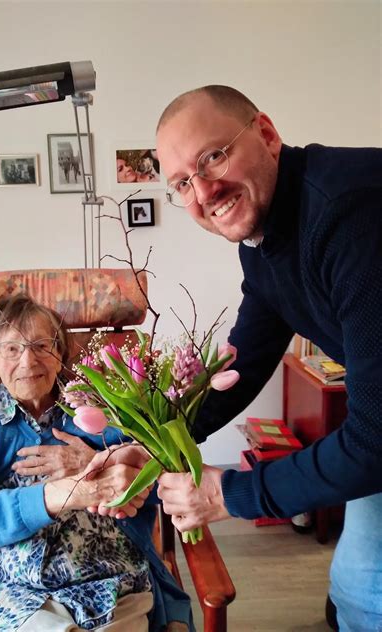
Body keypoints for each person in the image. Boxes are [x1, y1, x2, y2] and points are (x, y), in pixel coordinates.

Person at [93, 85, 382, 632]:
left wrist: (231, 494)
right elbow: (244, 362)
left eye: (213, 156)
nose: (204, 189)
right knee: (357, 590)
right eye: (182, 182)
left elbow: (374, 440)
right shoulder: (266, 239)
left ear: (267, 135)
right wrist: (154, 445)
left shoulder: (350, 213)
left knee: (366, 596)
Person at [0, 295, 193, 632]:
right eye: (11, 349)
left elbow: (165, 486)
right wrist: (66, 492)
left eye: (41, 345)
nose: (27, 361)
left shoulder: (103, 404)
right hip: (2, 584)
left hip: (106, 577)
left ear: (60, 355)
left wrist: (92, 460)